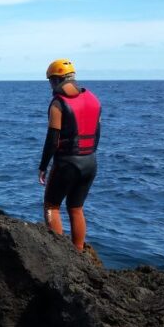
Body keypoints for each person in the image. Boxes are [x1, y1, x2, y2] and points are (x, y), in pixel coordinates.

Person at [38, 59, 101, 252]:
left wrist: (43, 166)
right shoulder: (93, 99)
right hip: (90, 162)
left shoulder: (58, 103)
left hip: (67, 163)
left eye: (51, 81)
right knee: (76, 208)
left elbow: (52, 139)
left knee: (51, 206)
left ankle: (59, 254)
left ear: (57, 80)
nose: (51, 85)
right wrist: (88, 154)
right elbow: (97, 133)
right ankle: (78, 252)